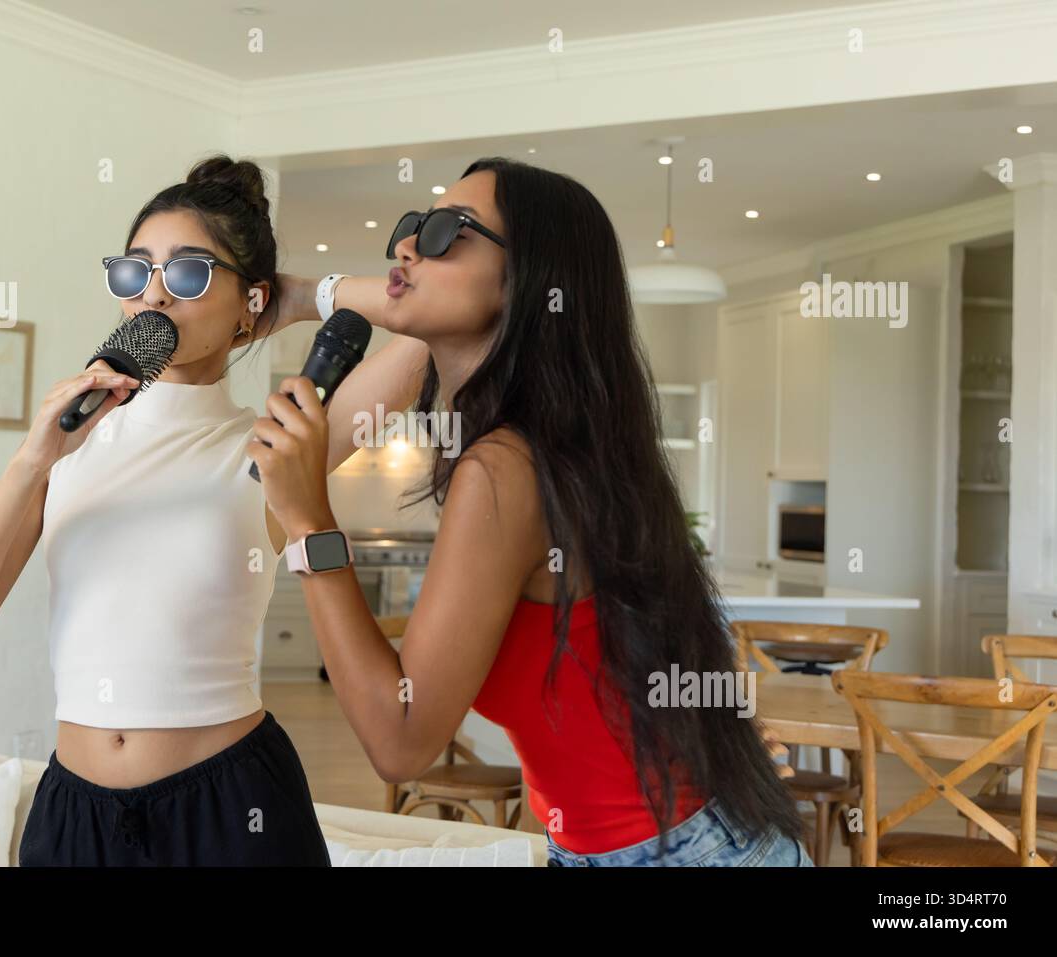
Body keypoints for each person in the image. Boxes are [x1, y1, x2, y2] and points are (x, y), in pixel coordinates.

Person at [248, 157, 813, 866]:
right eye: (411, 226)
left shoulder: (504, 468)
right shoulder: (561, 445)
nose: (407, 245)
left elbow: (400, 739)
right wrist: (303, 296)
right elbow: (410, 295)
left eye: (450, 230)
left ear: (530, 283)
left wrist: (308, 521)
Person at [0, 156, 337, 865]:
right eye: (135, 272)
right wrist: (31, 461)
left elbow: (432, 320)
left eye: (191, 273)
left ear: (250, 302)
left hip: (232, 809)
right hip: (75, 814)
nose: (155, 295)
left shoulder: (272, 443)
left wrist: (305, 297)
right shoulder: (68, 445)